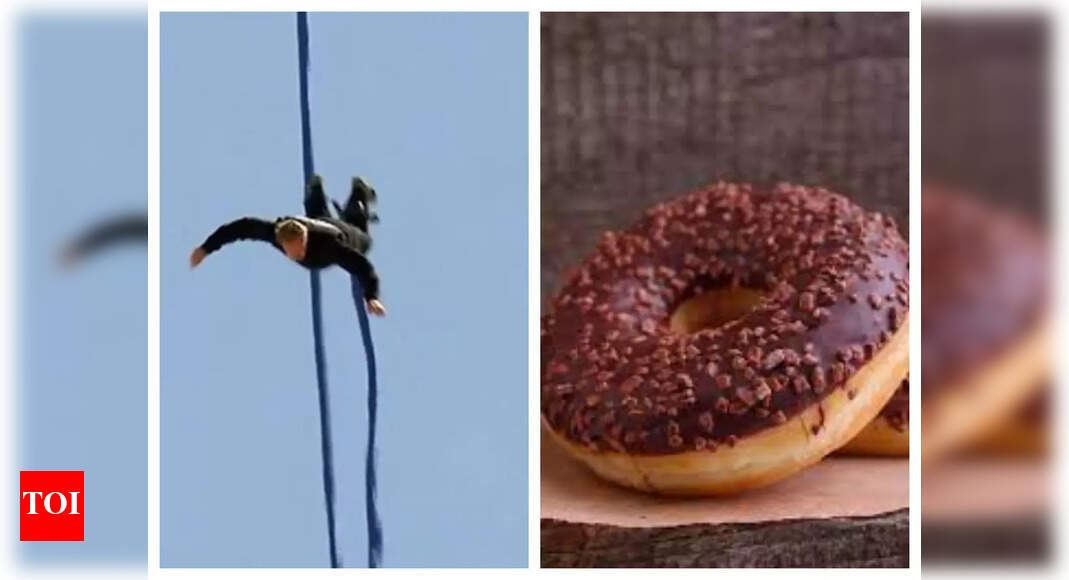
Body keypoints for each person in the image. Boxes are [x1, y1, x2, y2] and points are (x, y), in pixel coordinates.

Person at [190, 174, 386, 316]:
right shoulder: (275, 232)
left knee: (362, 238)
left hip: (341, 233)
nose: (297, 255)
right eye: (290, 251)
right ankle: (315, 190)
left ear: (304, 239)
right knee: (317, 214)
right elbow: (240, 228)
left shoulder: (330, 247)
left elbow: (363, 267)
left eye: (299, 249)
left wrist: (372, 297)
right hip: (316, 221)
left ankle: (358, 192)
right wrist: (206, 248)